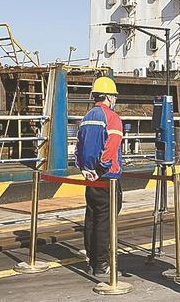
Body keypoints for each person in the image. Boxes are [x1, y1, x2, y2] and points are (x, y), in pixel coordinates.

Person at [75, 76, 124, 277]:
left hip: (90, 177)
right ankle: (102, 264)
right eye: (114, 96)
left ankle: (92, 260)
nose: (115, 100)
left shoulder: (86, 117)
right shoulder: (112, 118)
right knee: (106, 219)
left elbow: (78, 146)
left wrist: (83, 168)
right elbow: (111, 147)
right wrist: (102, 168)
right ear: (109, 97)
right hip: (107, 177)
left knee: (92, 217)